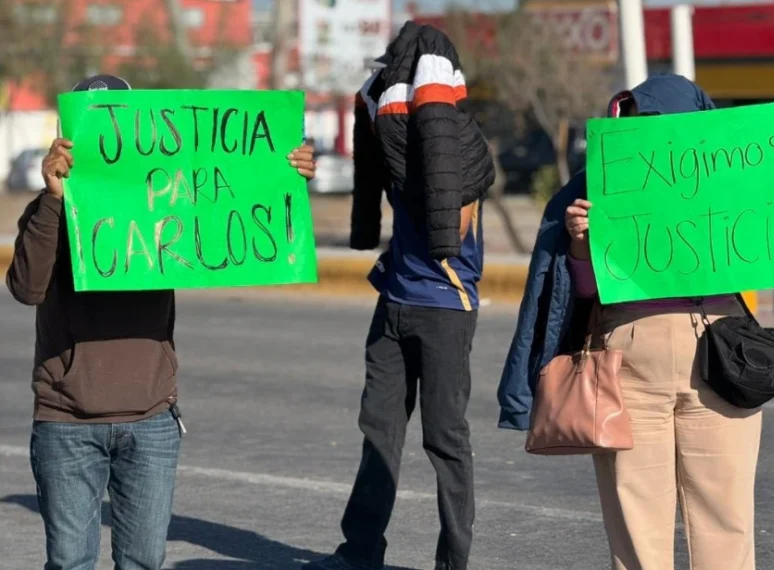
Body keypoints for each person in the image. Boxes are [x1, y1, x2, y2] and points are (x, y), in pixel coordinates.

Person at [498, 74, 774, 570]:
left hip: (708, 352)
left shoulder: (729, 176)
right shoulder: (598, 187)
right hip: (660, 359)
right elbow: (584, 291)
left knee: (689, 519)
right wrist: (578, 239)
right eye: (644, 126)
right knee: (678, 520)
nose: (655, 137)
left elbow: (772, 231)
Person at [6, 74, 317, 570]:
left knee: (144, 562)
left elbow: (230, 186)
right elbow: (25, 288)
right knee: (69, 563)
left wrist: (284, 170)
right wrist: (54, 200)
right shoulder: (47, 210)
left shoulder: (166, 200)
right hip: (66, 424)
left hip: (150, 422)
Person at [305, 21, 495, 570]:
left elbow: (454, 225)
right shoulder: (395, 141)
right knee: (378, 433)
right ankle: (359, 552)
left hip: (445, 308)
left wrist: (424, 162)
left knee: (445, 440)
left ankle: (453, 562)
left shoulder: (461, 147)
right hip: (393, 303)